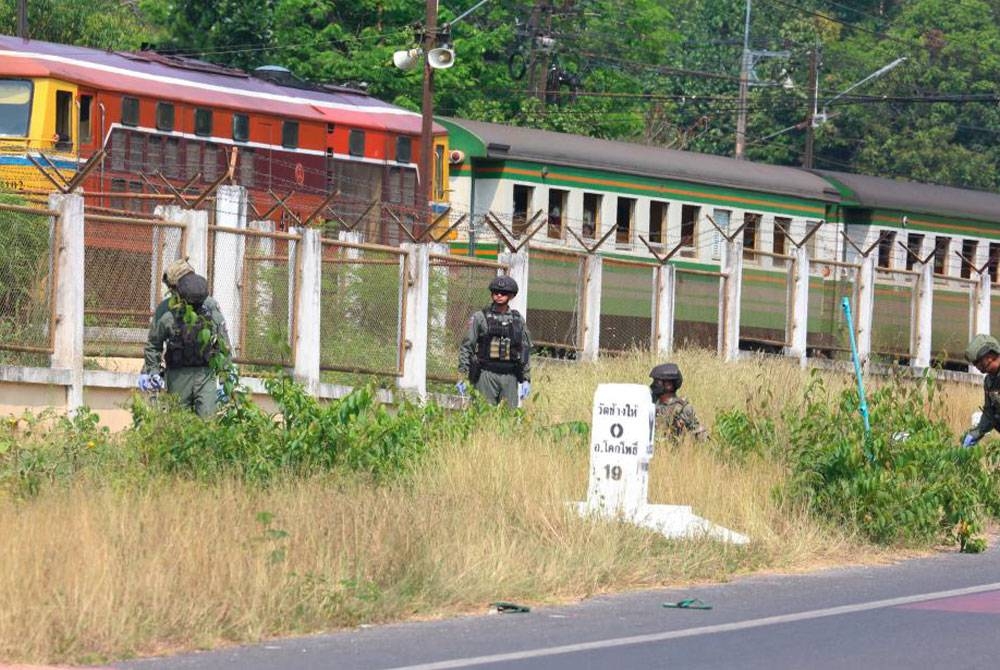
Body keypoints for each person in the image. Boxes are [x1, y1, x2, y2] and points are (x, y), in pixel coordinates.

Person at [140, 258, 232, 418]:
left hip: (204, 374)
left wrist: (226, 375)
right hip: (179, 376)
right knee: (179, 427)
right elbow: (153, 345)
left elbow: (223, 342)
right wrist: (152, 372)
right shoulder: (166, 310)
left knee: (207, 427)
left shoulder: (209, 306)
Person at [457, 275, 532, 407]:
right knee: (482, 415)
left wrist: (526, 379)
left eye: (503, 293)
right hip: (485, 375)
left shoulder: (517, 319)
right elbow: (467, 346)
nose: (499, 295)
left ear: (511, 296)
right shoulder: (480, 317)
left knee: (508, 418)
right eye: (495, 292)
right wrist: (462, 376)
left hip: (510, 377)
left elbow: (525, 349)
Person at [961, 334, 1000, 448]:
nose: (976, 366)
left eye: (978, 361)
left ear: (990, 355)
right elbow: (990, 414)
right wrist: (976, 433)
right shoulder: (989, 382)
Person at [649, 362, 706, 441]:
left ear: (669, 385)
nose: (653, 385)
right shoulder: (651, 403)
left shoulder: (683, 408)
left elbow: (701, 437)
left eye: (657, 382)